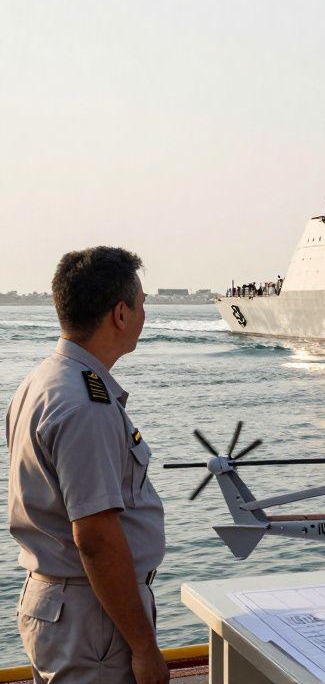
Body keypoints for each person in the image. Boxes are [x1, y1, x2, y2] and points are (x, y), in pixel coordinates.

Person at [6, 247, 168, 684]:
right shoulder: (86, 405)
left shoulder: (40, 382)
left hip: (61, 605)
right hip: (92, 619)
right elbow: (95, 538)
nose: (143, 315)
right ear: (120, 313)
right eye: (142, 304)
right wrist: (143, 648)